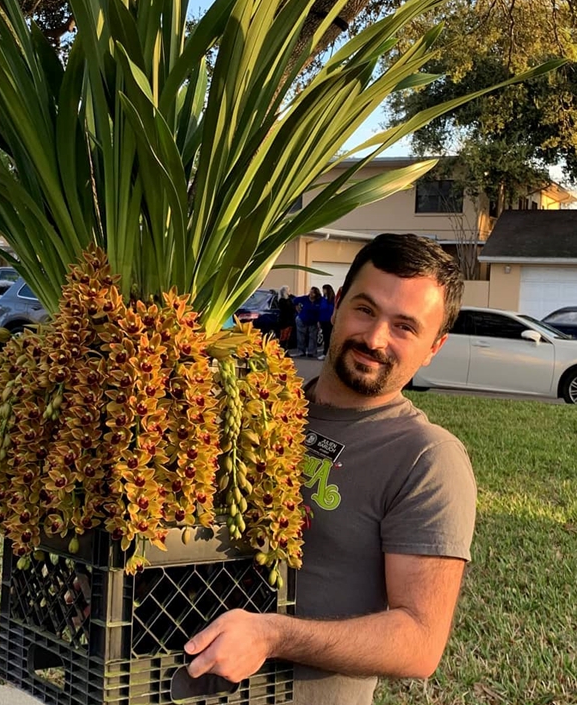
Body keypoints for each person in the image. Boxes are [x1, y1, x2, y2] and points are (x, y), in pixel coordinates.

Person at [184, 233, 477, 705]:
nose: (375, 338)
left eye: (404, 327)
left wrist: (271, 635)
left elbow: (420, 643)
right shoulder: (261, 410)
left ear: (434, 346)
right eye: (365, 309)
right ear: (337, 305)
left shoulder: (426, 458)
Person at [294, 286, 321, 357]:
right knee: (301, 337)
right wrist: (298, 309)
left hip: (313, 321)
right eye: (310, 292)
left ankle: (311, 352)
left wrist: (318, 321)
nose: (311, 294)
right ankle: (301, 351)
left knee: (313, 337)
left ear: (316, 294)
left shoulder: (319, 301)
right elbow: (295, 300)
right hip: (302, 319)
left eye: (313, 293)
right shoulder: (305, 298)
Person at [317, 283, 335, 359]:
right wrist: (319, 320)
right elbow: (320, 309)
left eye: (324, 289)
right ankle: (325, 352)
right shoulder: (323, 299)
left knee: (329, 337)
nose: (323, 291)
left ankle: (328, 353)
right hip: (323, 320)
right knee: (325, 337)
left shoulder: (332, 300)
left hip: (329, 321)